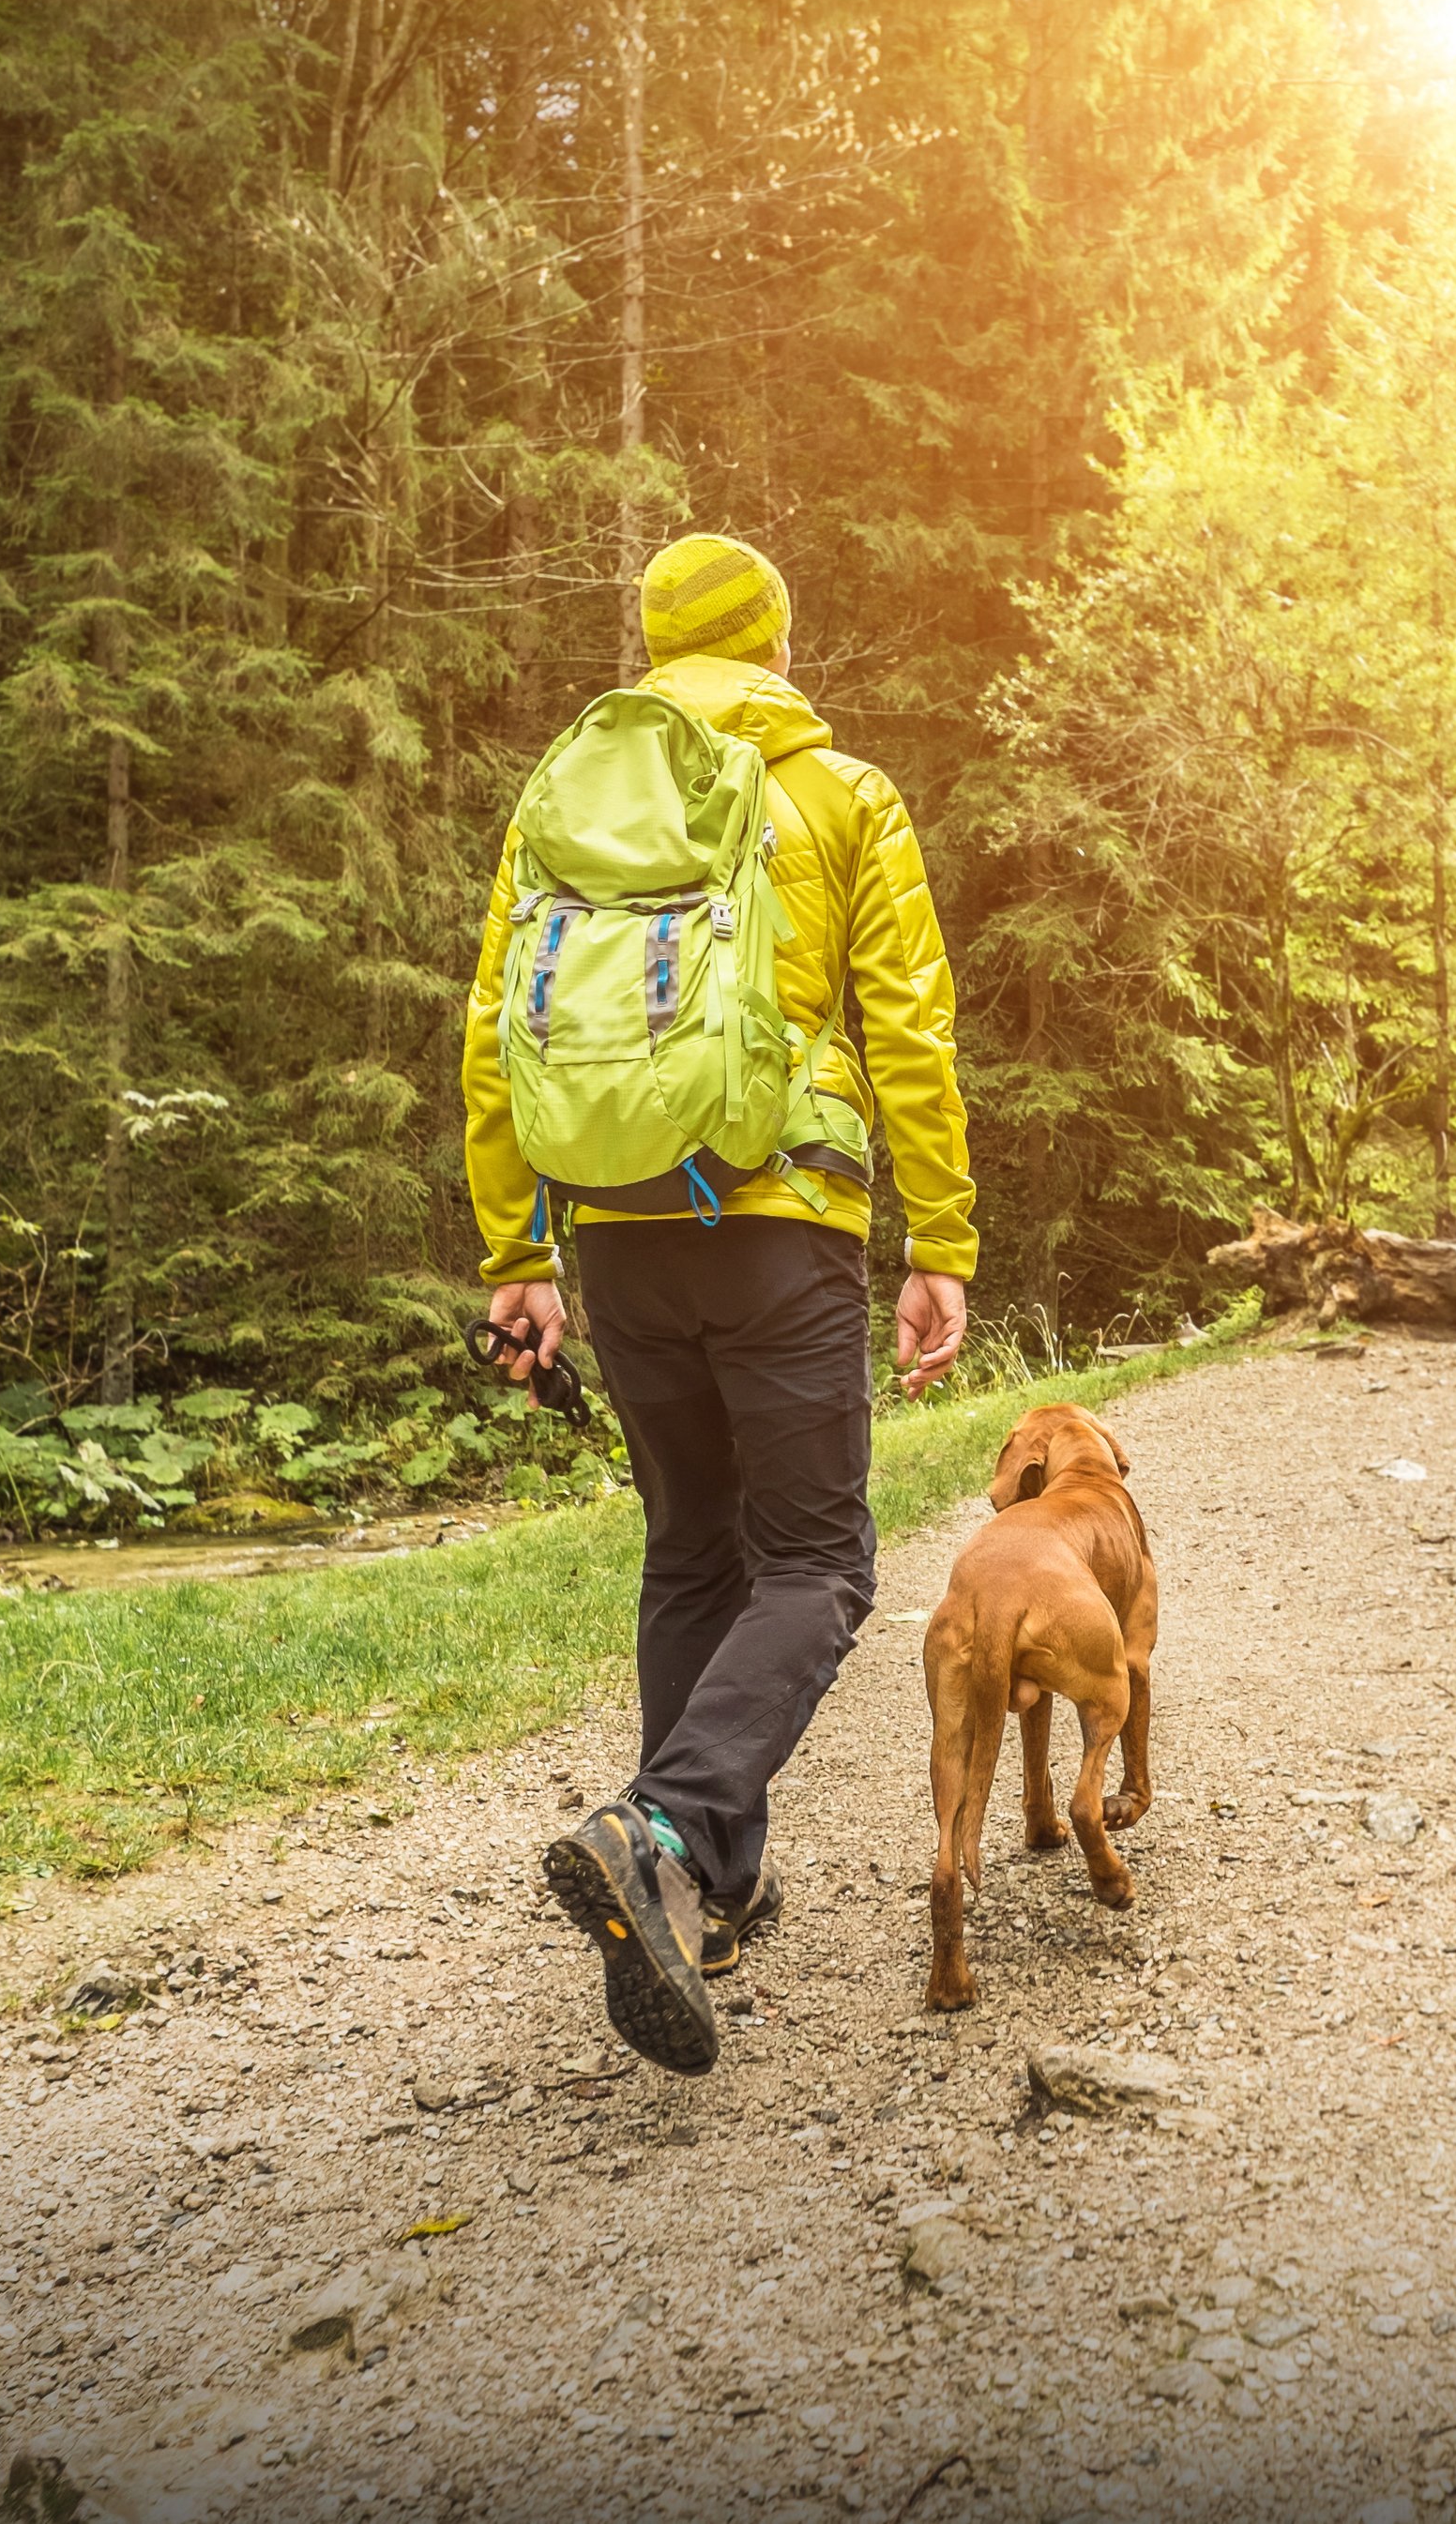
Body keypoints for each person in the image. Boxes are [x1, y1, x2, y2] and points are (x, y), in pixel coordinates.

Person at [462, 532, 977, 2074]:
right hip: (779, 1213)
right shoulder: (841, 793)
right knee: (816, 1561)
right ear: (777, 645)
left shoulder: (572, 796)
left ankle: (703, 1890)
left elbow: (500, 1025)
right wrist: (939, 1234)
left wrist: (517, 1251)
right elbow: (911, 1028)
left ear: (650, 641)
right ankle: (667, 1827)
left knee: (693, 1548)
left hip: (614, 1222)